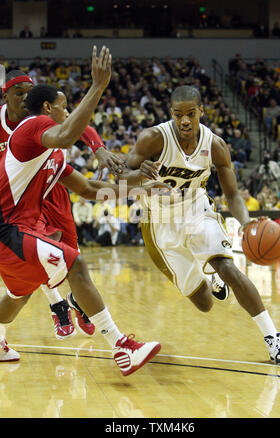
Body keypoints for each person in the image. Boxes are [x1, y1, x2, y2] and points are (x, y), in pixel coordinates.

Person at [0, 46, 170, 376]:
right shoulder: (32, 127)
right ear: (49, 108)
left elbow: (90, 190)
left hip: (18, 231)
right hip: (8, 228)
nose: (69, 113)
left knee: (18, 295)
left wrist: (141, 187)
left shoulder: (52, 154)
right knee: (75, 264)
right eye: (65, 107)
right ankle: (122, 347)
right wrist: (97, 87)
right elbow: (66, 134)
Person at [126, 85, 280, 365]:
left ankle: (274, 339)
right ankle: (207, 277)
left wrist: (245, 223)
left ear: (201, 112)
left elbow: (231, 194)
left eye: (190, 114)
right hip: (159, 223)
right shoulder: (154, 138)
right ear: (171, 114)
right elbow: (121, 173)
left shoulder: (214, 145)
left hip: (196, 210)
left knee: (228, 266)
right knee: (204, 303)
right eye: (178, 114)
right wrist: (136, 174)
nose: (184, 120)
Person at [0, 69, 126, 339]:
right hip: (14, 196)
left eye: (28, 93)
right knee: (58, 260)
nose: (24, 98)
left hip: (51, 185)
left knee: (66, 254)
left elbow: (77, 126)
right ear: (5, 95)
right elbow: (70, 129)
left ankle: (78, 301)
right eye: (18, 93)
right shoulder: (24, 126)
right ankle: (60, 304)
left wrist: (99, 148)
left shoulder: (44, 120)